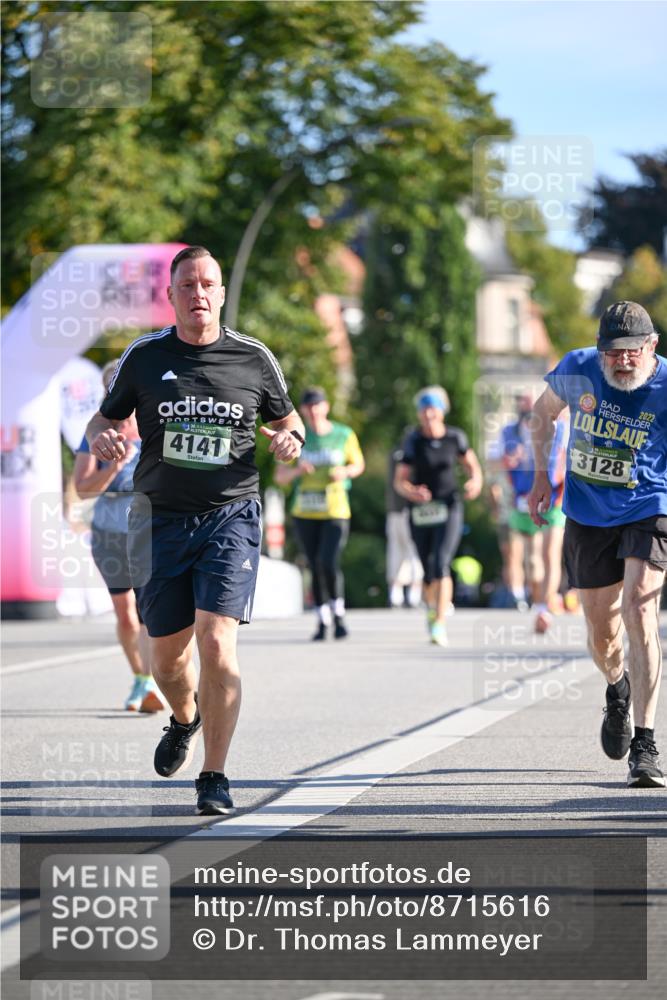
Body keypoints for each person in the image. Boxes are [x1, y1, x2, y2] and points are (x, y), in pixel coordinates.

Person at [85, 245, 304, 815]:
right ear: (171, 295)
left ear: (222, 294)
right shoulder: (144, 355)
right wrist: (101, 436)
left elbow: (290, 421)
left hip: (230, 515)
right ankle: (185, 719)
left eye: (208, 284)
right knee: (166, 661)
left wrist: (290, 439)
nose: (198, 294)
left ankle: (214, 775)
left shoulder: (253, 358)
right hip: (159, 521)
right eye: (187, 285)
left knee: (216, 640)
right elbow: (104, 416)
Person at [527, 301, 667, 788]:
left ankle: (646, 744)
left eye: (632, 351)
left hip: (649, 504)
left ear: (652, 346)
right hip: (587, 511)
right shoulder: (578, 367)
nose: (622, 361)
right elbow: (542, 414)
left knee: (640, 608)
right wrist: (541, 476)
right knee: (603, 634)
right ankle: (617, 687)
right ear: (599, 348)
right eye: (613, 351)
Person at [74, 360, 164, 713]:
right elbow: (82, 489)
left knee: (148, 612)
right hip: (108, 535)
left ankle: (155, 681)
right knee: (126, 615)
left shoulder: (153, 424)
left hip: (148, 533)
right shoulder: (96, 434)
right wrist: (113, 467)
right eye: (111, 385)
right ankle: (141, 678)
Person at [394, 386, 483, 646]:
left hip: (449, 506)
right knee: (427, 567)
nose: (428, 415)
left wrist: (474, 483)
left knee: (441, 561)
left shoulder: (455, 437)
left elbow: (473, 468)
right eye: (423, 410)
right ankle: (433, 608)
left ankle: (440, 623)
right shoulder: (413, 440)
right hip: (421, 510)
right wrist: (412, 491)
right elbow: (399, 481)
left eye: (432, 409)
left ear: (442, 412)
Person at [274, 387, 364, 640]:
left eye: (317, 405)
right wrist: (297, 471)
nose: (313, 411)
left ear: (326, 407)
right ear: (302, 410)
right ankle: (323, 619)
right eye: (309, 406)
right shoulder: (297, 436)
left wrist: (344, 472)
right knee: (314, 565)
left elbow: (358, 464)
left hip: (335, 510)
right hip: (305, 512)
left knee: (328, 561)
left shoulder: (343, 434)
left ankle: (338, 613)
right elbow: (280, 477)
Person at [501, 393, 568, 632]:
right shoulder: (509, 432)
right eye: (522, 403)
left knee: (550, 554)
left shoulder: (561, 429)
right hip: (523, 500)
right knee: (532, 561)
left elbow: (565, 460)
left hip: (554, 499)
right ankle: (538, 602)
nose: (527, 407)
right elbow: (496, 462)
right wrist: (508, 462)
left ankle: (544, 609)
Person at [386, 443, 423, 608]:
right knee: (403, 550)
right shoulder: (404, 452)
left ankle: (411, 589)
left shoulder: (401, 451)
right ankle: (400, 589)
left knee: (410, 550)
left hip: (409, 508)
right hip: (400, 508)